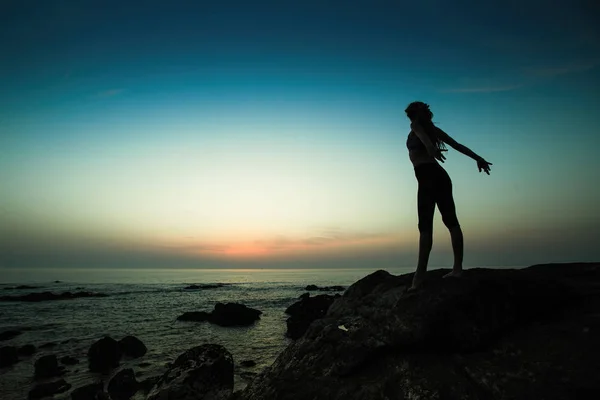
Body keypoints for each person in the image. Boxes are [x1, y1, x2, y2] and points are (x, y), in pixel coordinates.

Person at [405, 101, 492, 290]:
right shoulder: (428, 129)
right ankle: (455, 269)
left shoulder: (418, 127)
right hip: (435, 176)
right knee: (444, 222)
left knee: (432, 224)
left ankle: (420, 277)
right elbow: (456, 145)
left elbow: (454, 145)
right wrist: (478, 159)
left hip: (430, 176)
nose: (427, 112)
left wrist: (478, 158)